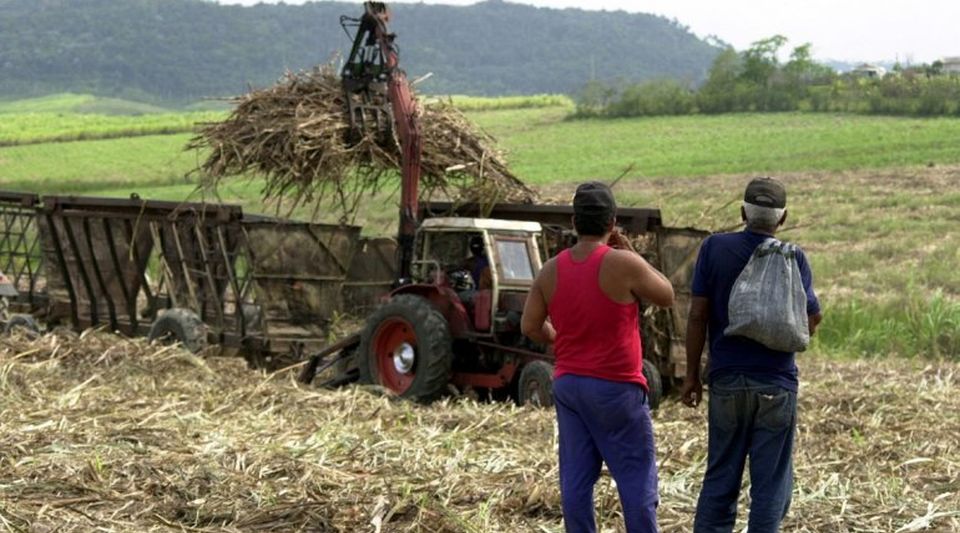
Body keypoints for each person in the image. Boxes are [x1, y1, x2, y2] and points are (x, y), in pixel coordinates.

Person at [522, 181, 675, 533]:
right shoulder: (622, 264)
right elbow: (665, 295)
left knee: (576, 479)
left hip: (569, 386)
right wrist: (632, 252)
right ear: (612, 222)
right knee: (636, 477)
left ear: (574, 222)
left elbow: (530, 325)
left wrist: (557, 338)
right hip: (616, 387)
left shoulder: (550, 270)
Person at [681, 177, 823, 533]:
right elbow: (812, 316)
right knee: (769, 488)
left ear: (742, 212)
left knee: (720, 480)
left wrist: (692, 375)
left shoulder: (714, 248)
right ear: (783, 219)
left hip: (727, 380)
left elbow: (697, 315)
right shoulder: (794, 257)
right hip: (777, 384)